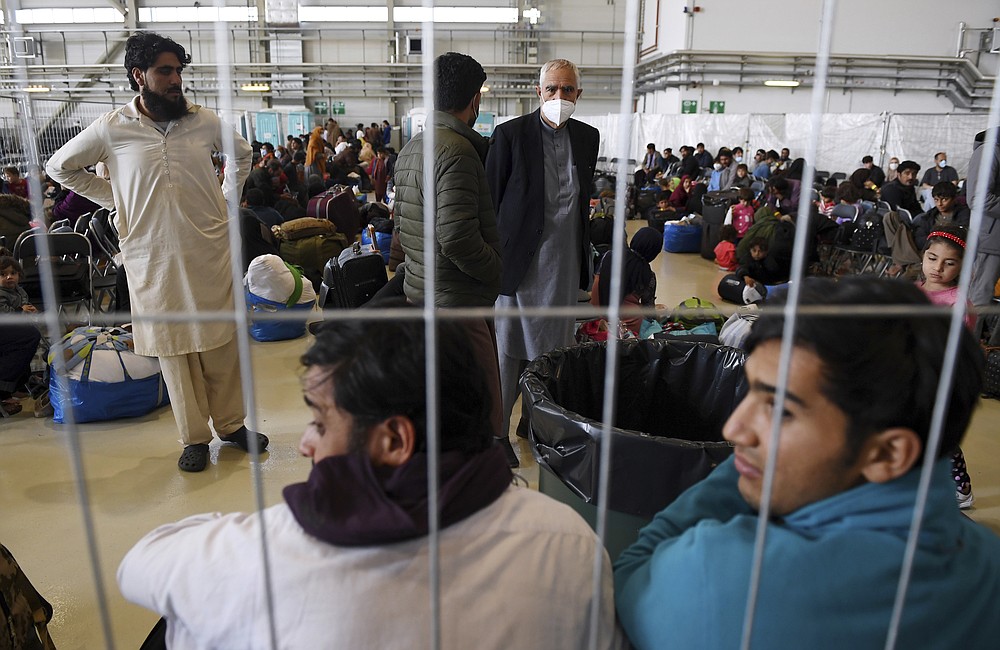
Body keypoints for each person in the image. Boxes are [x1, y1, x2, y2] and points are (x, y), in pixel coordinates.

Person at [117, 314, 622, 649]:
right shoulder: (569, 538)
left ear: (394, 441)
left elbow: (137, 567)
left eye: (319, 421)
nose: (308, 445)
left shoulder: (271, 553)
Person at [614, 276, 1000, 649]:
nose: (733, 428)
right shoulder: (989, 566)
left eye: (779, 407)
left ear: (887, 454)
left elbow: (632, 573)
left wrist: (744, 465)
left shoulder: (727, 576)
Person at [45, 32, 266, 472]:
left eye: (178, 71)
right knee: (173, 347)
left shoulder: (203, 121)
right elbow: (59, 166)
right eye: (164, 71)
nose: (174, 80)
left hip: (208, 248)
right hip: (151, 256)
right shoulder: (112, 127)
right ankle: (195, 439)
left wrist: (225, 199)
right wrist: (114, 199)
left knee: (220, 342)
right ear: (138, 75)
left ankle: (231, 425)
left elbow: (241, 155)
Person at [486, 58, 600, 464]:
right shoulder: (510, 135)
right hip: (519, 266)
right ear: (538, 92)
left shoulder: (588, 138)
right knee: (509, 350)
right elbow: (491, 202)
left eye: (567, 90)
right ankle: (496, 434)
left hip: (564, 264)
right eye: (551, 89)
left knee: (554, 352)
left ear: (578, 95)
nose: (559, 97)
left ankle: (536, 422)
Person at [393, 52, 505, 461]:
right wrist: (496, 269)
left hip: (423, 294)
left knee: (441, 401)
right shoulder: (457, 151)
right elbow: (457, 237)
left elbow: (403, 225)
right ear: (474, 100)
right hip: (457, 303)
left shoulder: (413, 148)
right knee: (481, 409)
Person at [590, 227, 660, 336]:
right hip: (628, 327)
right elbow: (649, 312)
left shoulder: (609, 256)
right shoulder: (648, 275)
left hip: (596, 318)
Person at [968, 128, 1000, 344]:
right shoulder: (990, 151)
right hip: (991, 241)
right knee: (979, 299)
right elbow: (978, 199)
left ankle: (992, 352)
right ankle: (964, 356)